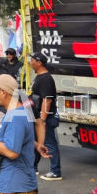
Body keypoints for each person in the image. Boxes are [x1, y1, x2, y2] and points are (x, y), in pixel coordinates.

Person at [29, 52, 61, 181]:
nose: (30, 62)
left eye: (32, 60)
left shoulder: (46, 79)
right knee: (36, 141)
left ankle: (56, 171)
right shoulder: (39, 77)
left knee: (50, 143)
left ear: (39, 62)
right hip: (38, 117)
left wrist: (42, 121)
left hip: (46, 118)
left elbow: (47, 101)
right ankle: (34, 167)